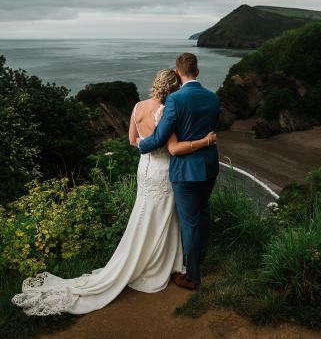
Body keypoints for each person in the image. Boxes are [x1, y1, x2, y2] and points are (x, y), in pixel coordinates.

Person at [11, 68, 216, 316]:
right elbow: (170, 146)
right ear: (173, 89)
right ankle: (161, 263)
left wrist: (143, 145)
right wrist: (202, 140)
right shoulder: (165, 111)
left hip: (144, 170)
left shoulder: (138, 107)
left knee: (144, 214)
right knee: (164, 217)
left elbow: (132, 140)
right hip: (162, 171)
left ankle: (145, 258)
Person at [138, 53, 220, 290]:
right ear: (198, 71)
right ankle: (199, 256)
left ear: (177, 72)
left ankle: (192, 276)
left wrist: (141, 146)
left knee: (189, 222)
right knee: (203, 213)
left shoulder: (175, 99)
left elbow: (161, 137)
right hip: (209, 166)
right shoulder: (213, 98)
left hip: (186, 171)